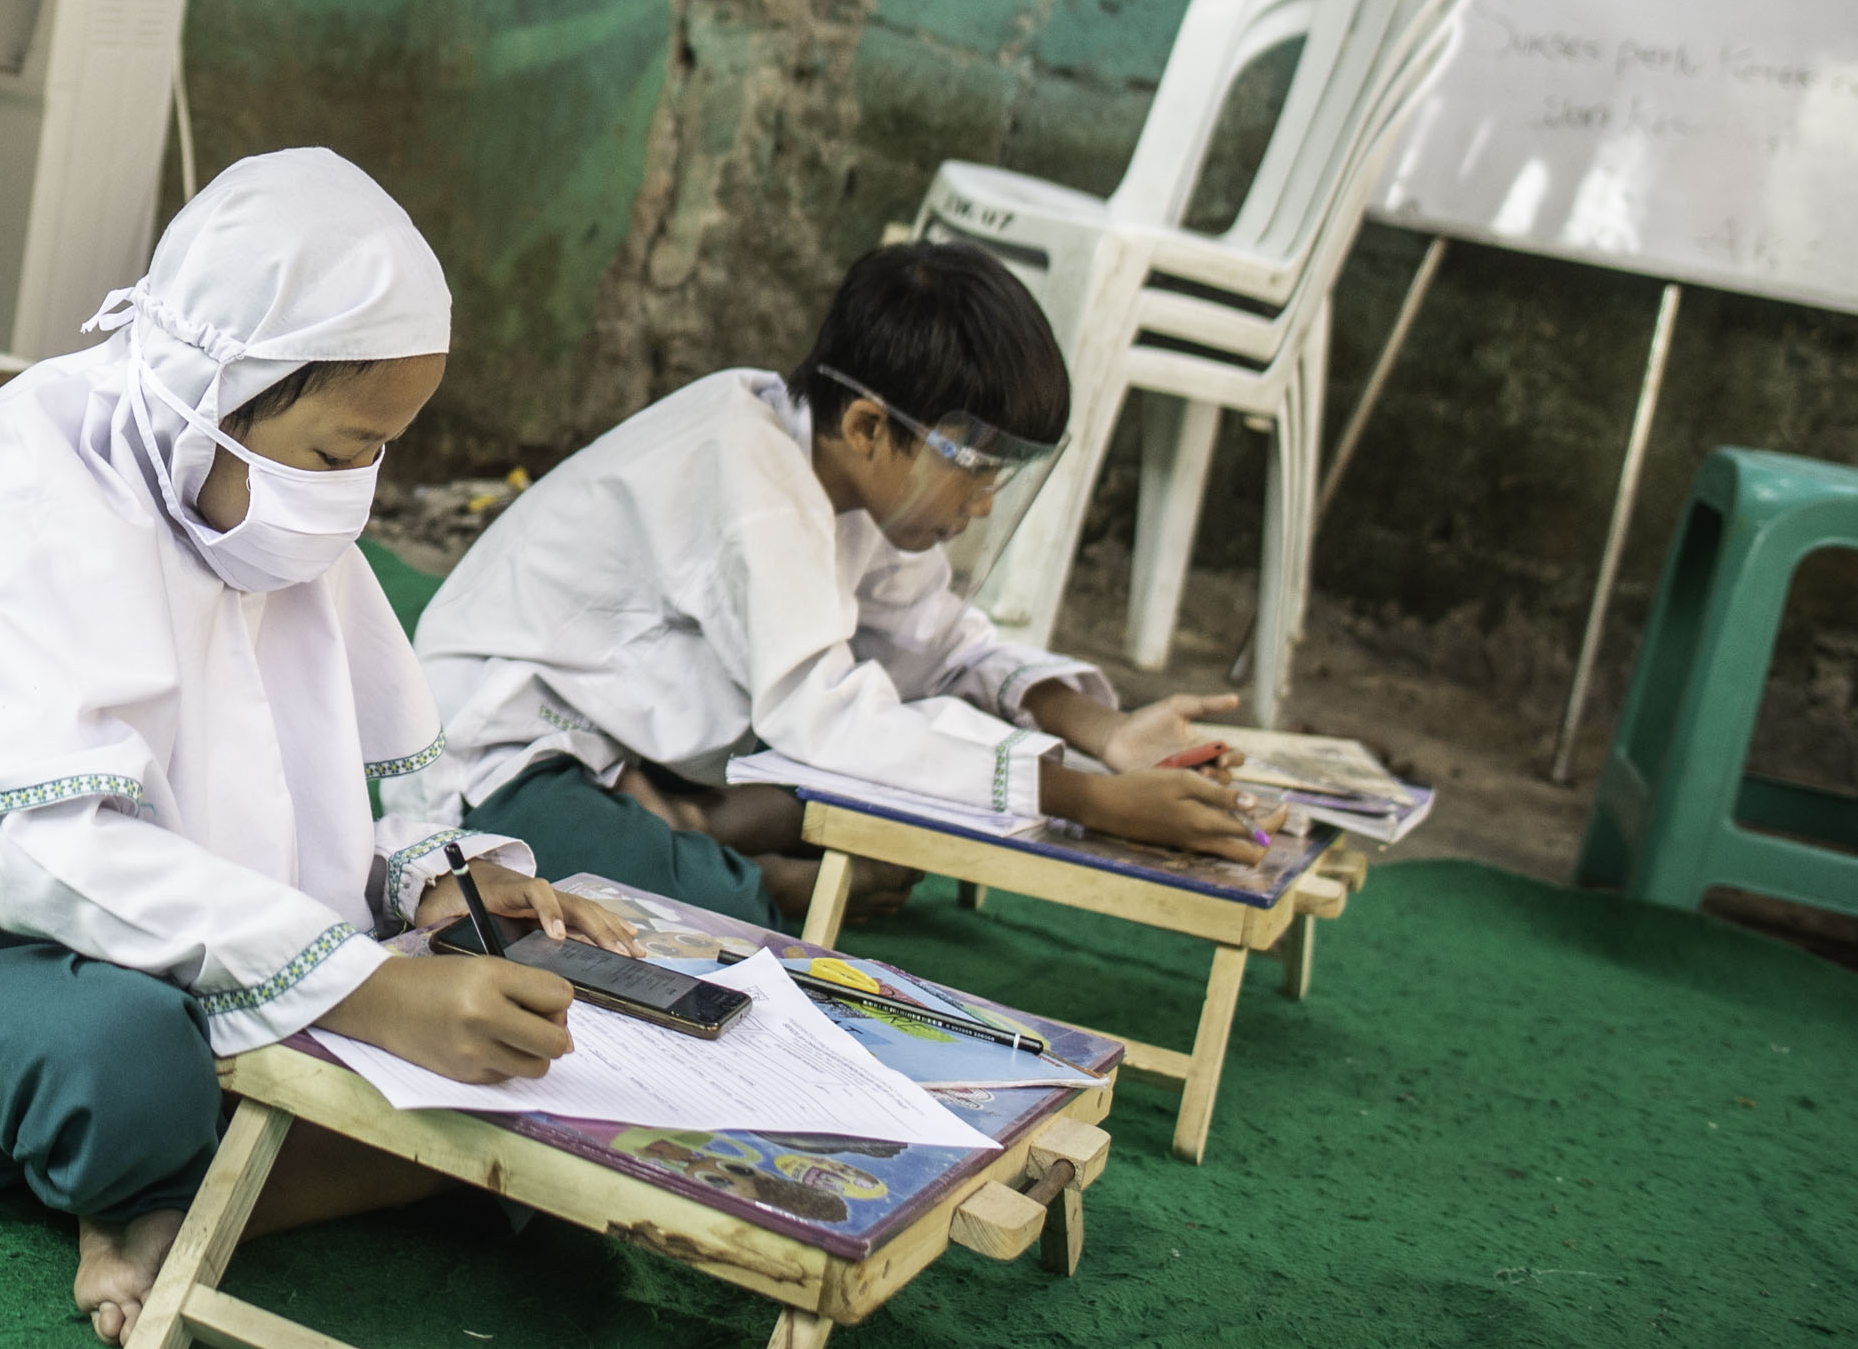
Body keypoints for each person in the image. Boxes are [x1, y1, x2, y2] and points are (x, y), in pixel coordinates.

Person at [0, 150, 636, 1347]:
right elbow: (31, 864)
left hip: (210, 938)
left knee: (479, 1011)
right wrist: (367, 993)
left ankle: (179, 1197)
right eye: (338, 451)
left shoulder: (273, 516)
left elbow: (367, 765)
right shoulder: (11, 504)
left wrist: (445, 879)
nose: (357, 494)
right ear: (214, 385)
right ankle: (252, 1179)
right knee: (114, 1055)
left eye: (381, 451)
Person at [415, 239, 1260, 932]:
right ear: (867, 427)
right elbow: (823, 718)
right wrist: (1093, 801)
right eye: (973, 469)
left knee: (876, 759)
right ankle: (767, 882)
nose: (983, 502)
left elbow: (943, 641)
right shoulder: (758, 484)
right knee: (722, 913)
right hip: (499, 754)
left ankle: (697, 826)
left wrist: (1106, 735)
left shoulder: (848, 476)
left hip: (624, 741)